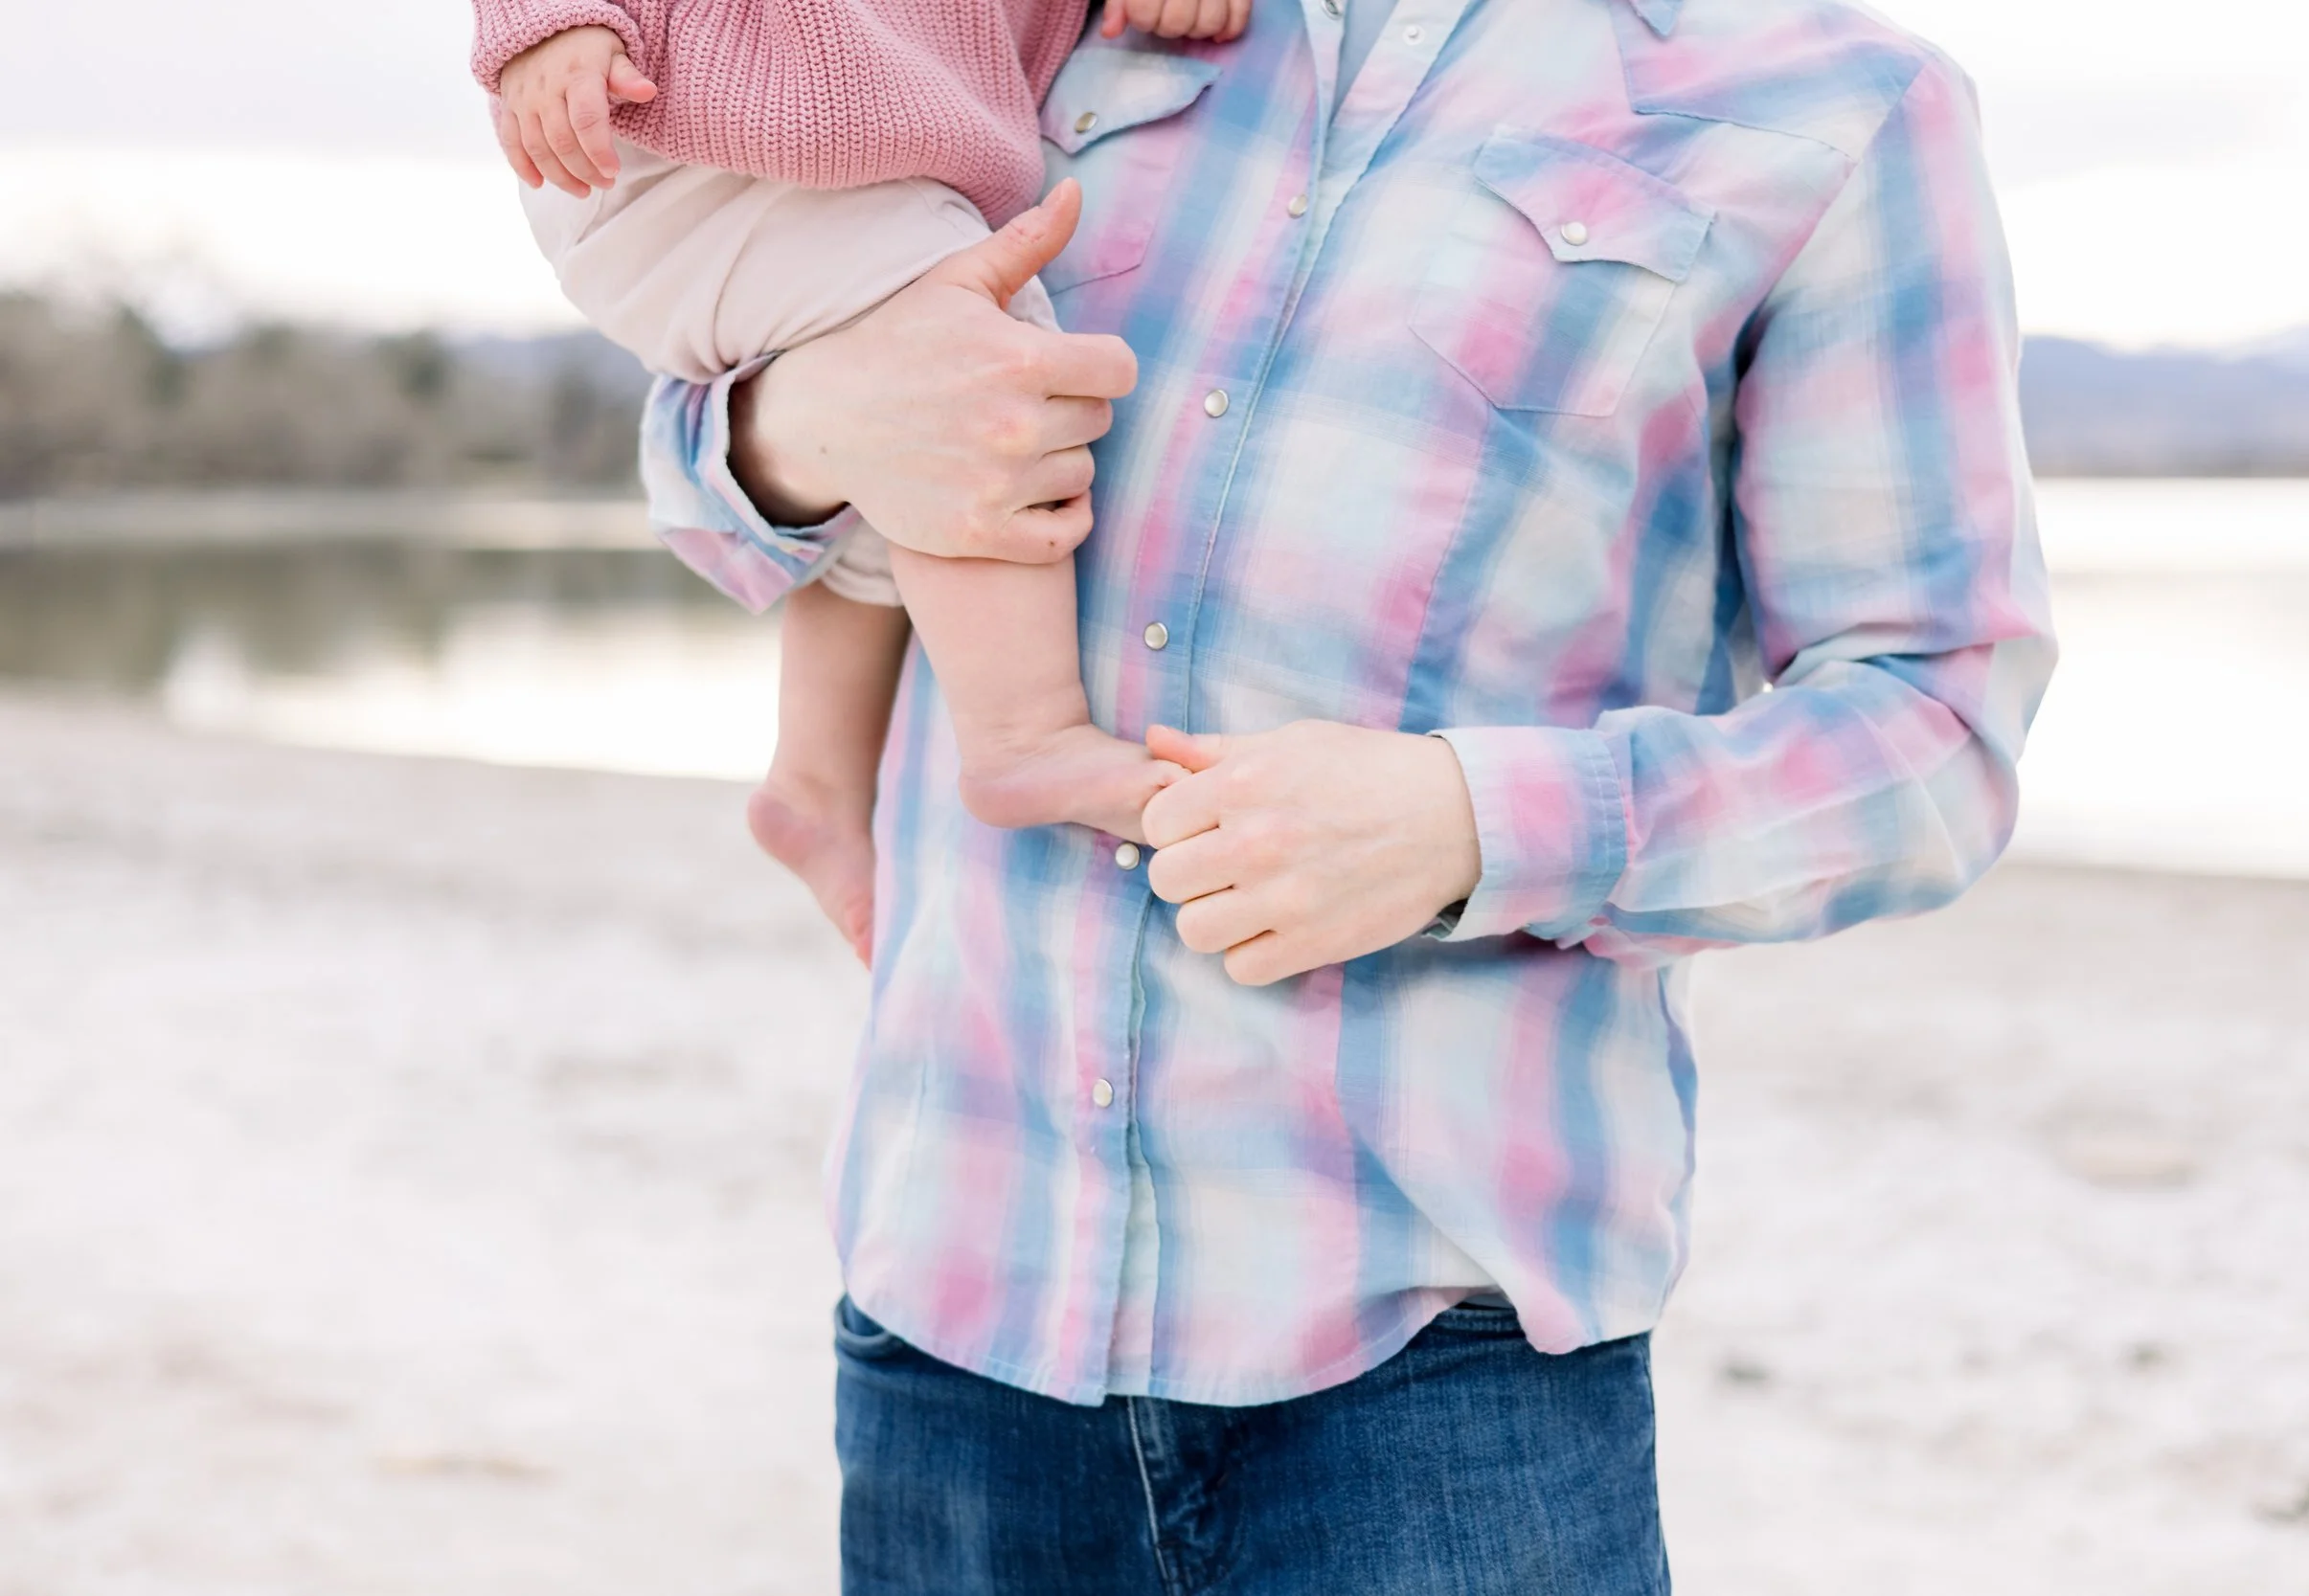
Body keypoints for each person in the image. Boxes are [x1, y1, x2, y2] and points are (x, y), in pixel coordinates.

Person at [650, 0, 2059, 1590]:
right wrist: (798, 434)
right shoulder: (1064, 19)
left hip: (1442, 1387)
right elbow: (727, 432)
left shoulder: (1837, 108)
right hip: (953, 1313)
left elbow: (1932, 735)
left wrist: (1467, 824)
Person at [472, 0, 1253, 962]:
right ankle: (1023, 734)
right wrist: (547, 21)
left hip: (821, 151)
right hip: (688, 139)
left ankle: (814, 782)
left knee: (910, 461)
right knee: (981, 366)